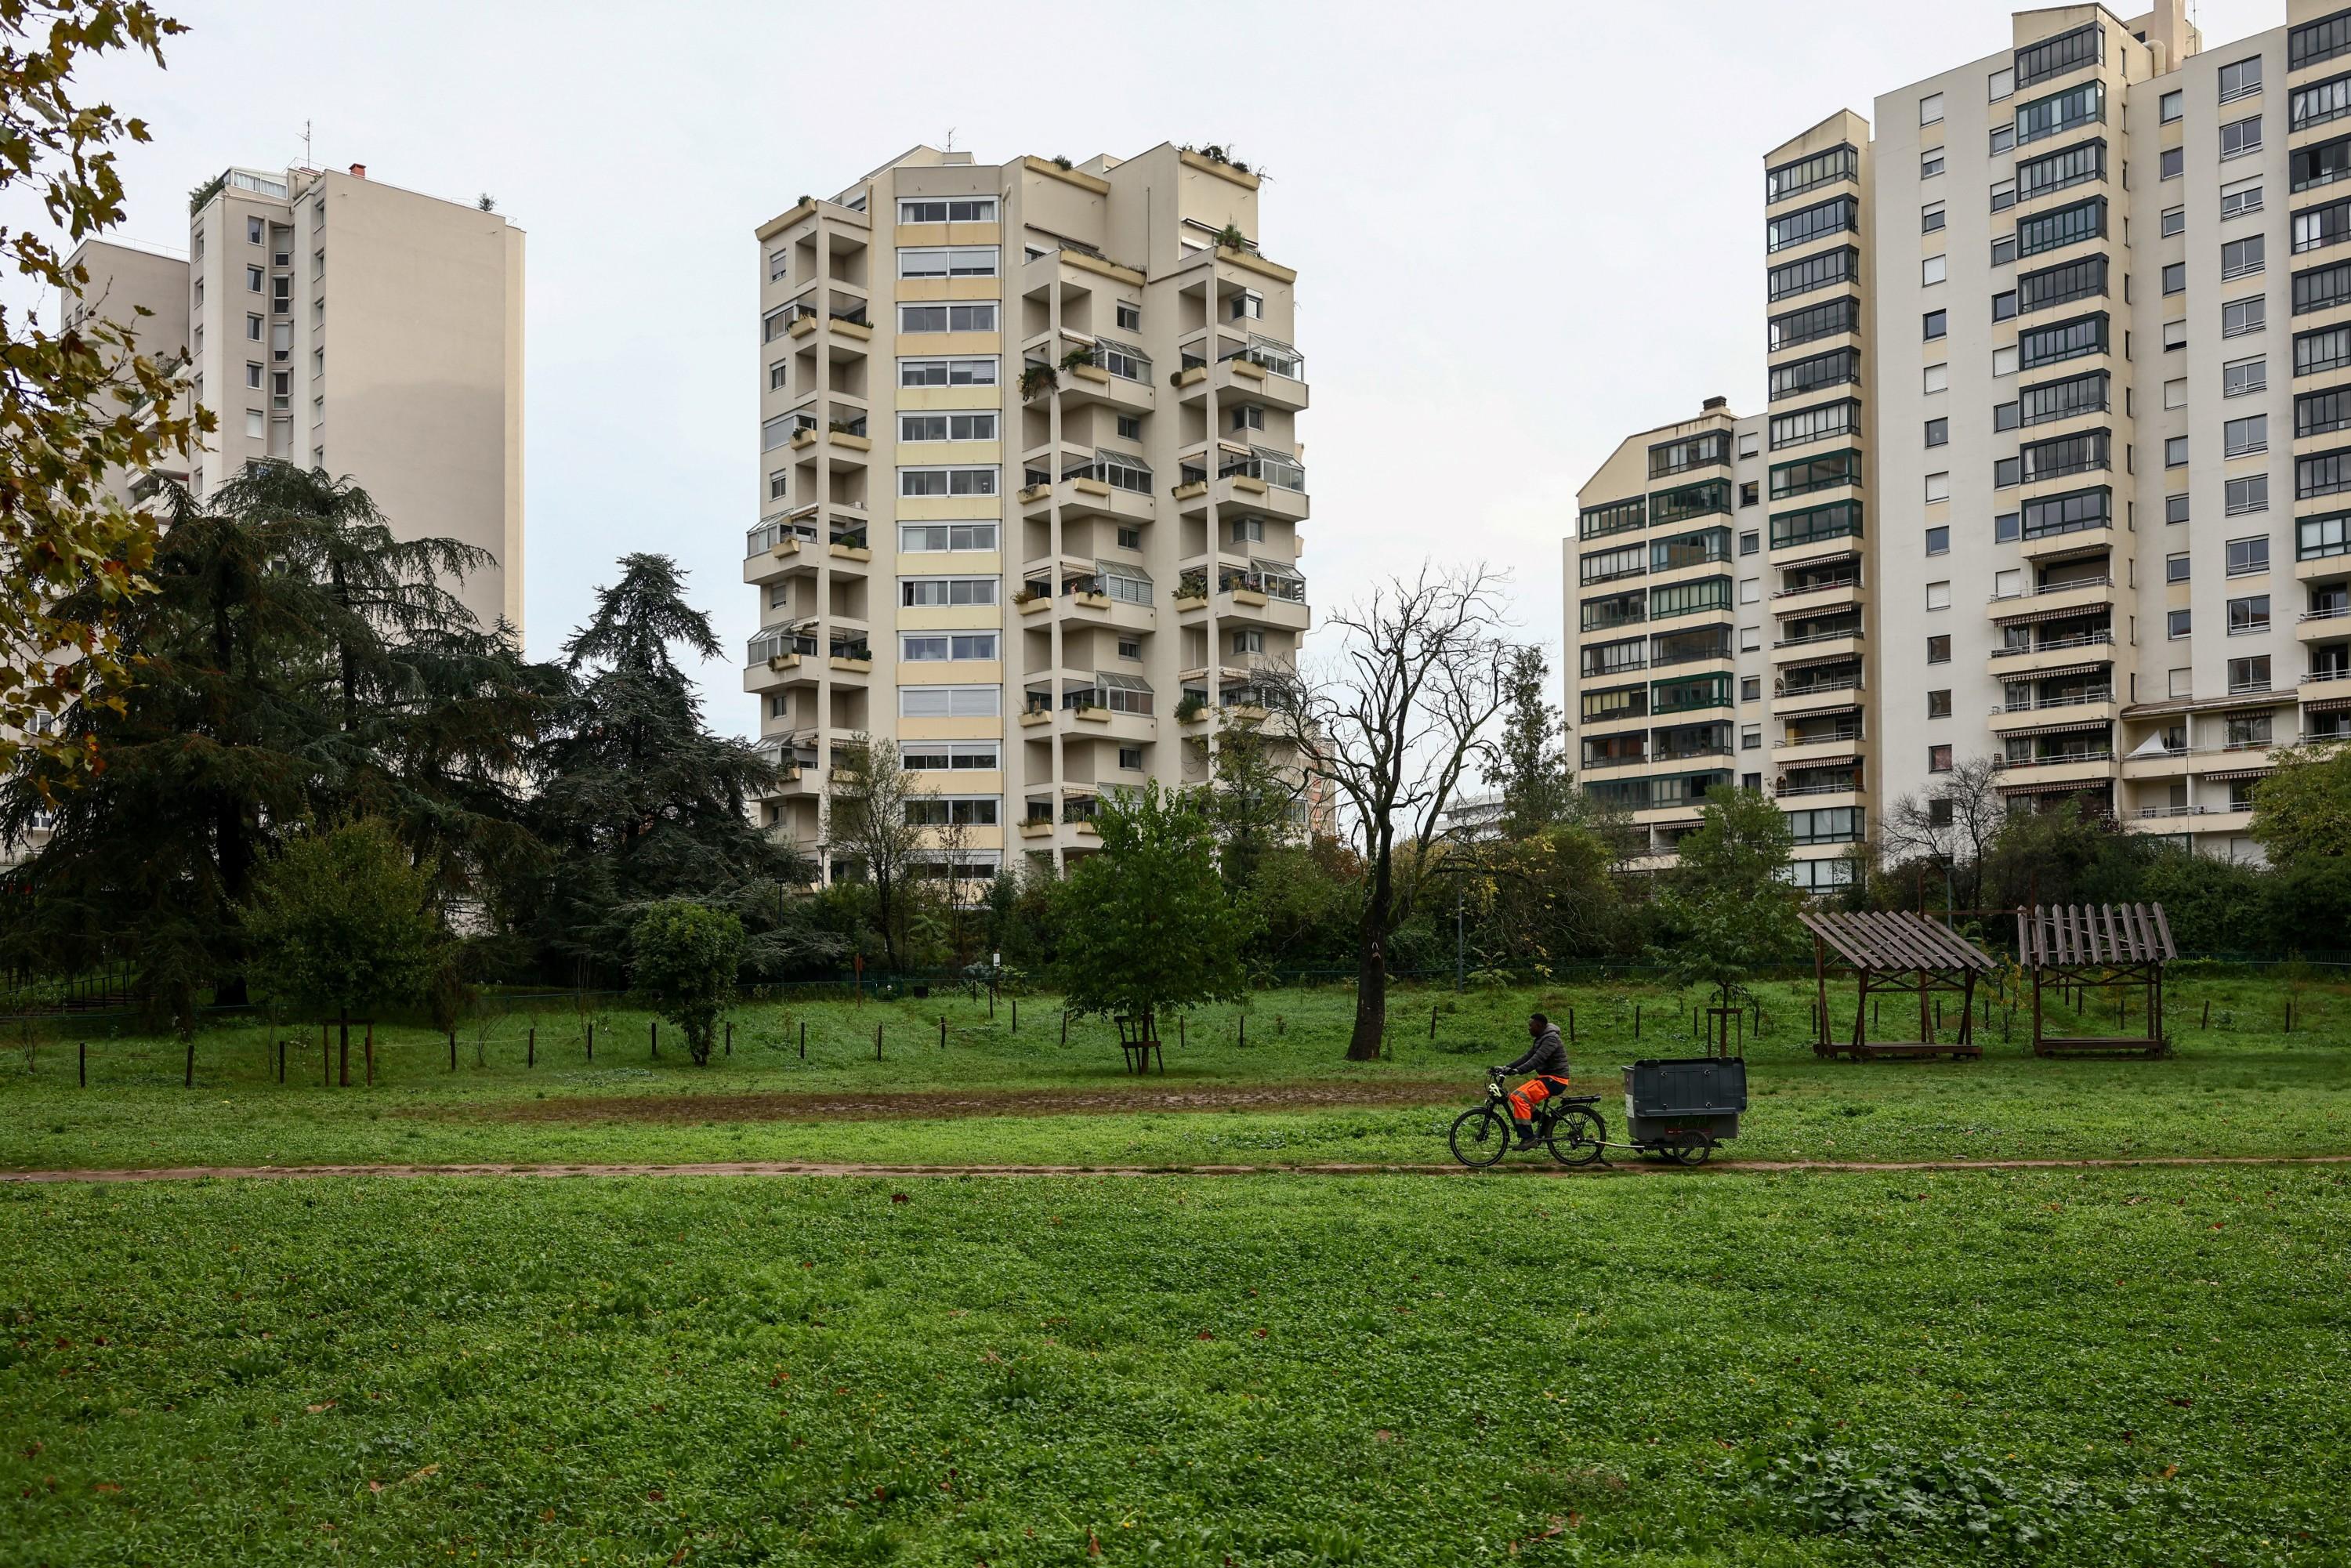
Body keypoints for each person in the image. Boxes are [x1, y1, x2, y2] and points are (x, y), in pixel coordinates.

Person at [1494, 1012, 1571, 1150]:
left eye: (1531, 1026)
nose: (1529, 1028)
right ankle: (1546, 1121)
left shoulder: (1551, 1039)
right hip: (1547, 1078)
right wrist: (1506, 1068)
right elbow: (1527, 1056)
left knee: (1520, 1098)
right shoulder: (1542, 1038)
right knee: (1514, 1096)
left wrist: (1518, 1071)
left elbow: (1537, 1060)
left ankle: (1529, 1138)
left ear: (1540, 1025)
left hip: (1556, 1080)